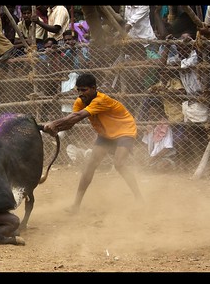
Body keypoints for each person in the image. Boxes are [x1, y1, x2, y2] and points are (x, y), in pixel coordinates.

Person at [42, 73, 144, 213]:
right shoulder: (80, 101)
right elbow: (72, 122)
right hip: (106, 134)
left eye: (84, 90)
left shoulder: (100, 100)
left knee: (119, 164)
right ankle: (76, 206)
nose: (80, 93)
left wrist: (54, 124)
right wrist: (56, 129)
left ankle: (139, 199)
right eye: (78, 90)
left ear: (94, 88)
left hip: (124, 130)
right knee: (89, 166)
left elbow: (77, 116)